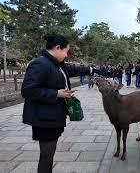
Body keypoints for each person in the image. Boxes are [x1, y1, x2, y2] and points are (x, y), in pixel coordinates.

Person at [21, 33, 96, 173]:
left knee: (49, 153)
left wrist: (91, 69)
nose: (67, 55)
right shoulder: (40, 64)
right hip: (44, 119)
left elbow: (73, 69)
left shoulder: (56, 64)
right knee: (47, 156)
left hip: (52, 117)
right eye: (66, 51)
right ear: (57, 48)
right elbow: (28, 90)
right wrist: (56, 93)